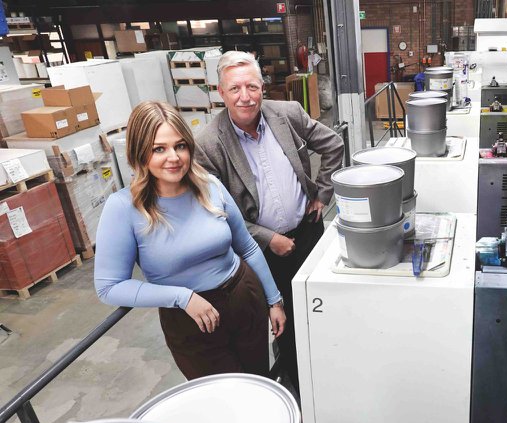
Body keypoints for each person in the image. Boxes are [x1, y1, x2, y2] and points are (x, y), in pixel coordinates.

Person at [94, 101, 286, 381]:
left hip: (244, 299)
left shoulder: (210, 186)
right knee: (224, 397)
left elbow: (247, 247)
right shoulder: (124, 208)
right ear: (139, 152)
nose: (173, 157)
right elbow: (109, 287)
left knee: (259, 382)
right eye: (159, 149)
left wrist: (274, 300)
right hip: (191, 319)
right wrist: (181, 297)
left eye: (180, 146)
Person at [194, 51, 344, 392]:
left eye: (252, 86)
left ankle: (332, 375)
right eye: (235, 89)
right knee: (285, 322)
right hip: (263, 253)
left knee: (323, 307)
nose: (245, 96)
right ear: (221, 92)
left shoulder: (287, 114)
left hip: (309, 233)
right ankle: (302, 388)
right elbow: (216, 212)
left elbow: (333, 144)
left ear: (262, 87)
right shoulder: (209, 145)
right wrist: (266, 237)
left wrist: (323, 193)